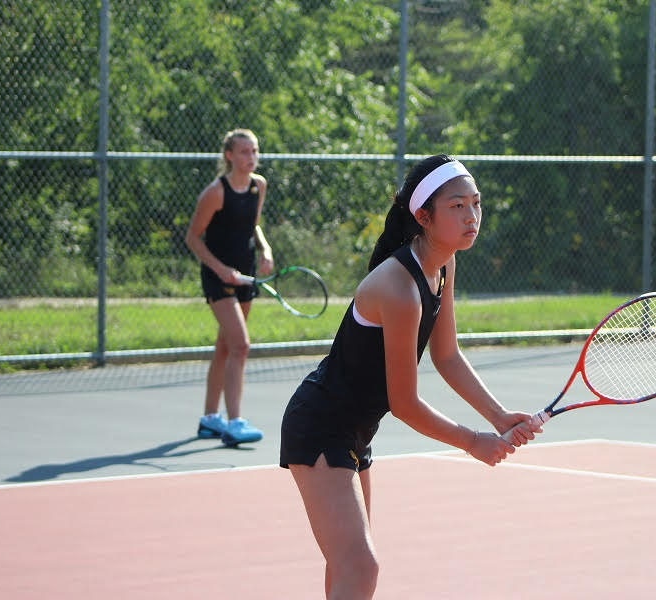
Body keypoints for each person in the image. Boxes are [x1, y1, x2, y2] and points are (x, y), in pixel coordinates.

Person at [279, 154, 541, 599]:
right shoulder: (399, 289)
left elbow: (448, 356)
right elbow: (404, 404)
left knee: (348, 566)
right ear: (423, 216)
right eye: (457, 206)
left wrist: (499, 417)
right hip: (320, 425)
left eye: (476, 203)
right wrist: (473, 441)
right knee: (360, 567)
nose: (471, 216)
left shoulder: (443, 265)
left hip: (355, 430)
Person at [185, 128, 274, 445]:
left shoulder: (258, 186)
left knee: (226, 347)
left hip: (246, 275)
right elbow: (192, 237)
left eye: (254, 151)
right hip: (218, 277)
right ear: (229, 156)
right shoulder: (215, 193)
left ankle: (210, 419)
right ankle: (234, 421)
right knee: (240, 345)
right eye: (244, 152)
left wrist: (265, 250)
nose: (251, 157)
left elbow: (254, 226)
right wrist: (221, 270)